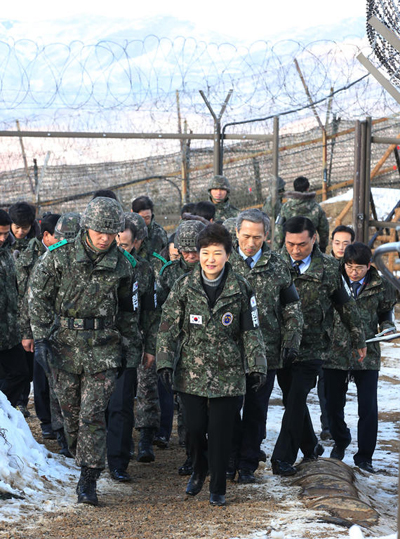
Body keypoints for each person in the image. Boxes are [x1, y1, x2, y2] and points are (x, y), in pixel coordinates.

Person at [28, 197, 138, 506]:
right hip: (64, 345)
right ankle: (82, 458)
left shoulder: (123, 266)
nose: (104, 238)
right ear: (86, 227)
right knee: (71, 414)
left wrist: (131, 348)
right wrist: (41, 339)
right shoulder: (58, 258)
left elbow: (129, 312)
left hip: (104, 346)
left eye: (111, 232)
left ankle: (88, 479)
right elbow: (39, 298)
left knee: (92, 414)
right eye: (99, 231)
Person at [156, 223, 267, 506]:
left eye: (217, 253)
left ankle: (217, 487)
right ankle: (199, 466)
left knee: (220, 432)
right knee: (193, 428)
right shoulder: (184, 286)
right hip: (191, 370)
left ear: (228, 255)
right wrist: (165, 363)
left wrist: (256, 365)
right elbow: (168, 326)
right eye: (205, 253)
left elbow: (251, 331)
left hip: (228, 373)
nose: (210, 259)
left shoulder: (241, 288)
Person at [271, 216, 366, 476]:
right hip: (281, 345)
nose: (295, 250)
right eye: (290, 244)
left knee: (296, 397)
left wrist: (358, 338)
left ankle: (282, 458)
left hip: (313, 346)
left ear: (314, 238)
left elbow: (344, 305)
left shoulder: (328, 267)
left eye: (302, 244)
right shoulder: (275, 264)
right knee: (292, 398)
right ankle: (311, 445)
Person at [228, 209, 303, 483]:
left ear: (266, 235)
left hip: (266, 351)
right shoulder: (223, 262)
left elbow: (292, 307)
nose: (251, 242)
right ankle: (229, 458)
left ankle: (247, 462)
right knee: (229, 407)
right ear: (236, 233)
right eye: (246, 236)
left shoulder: (278, 265)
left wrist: (291, 340)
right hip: (228, 352)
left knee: (257, 408)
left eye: (257, 237)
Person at [323, 242, 397, 473]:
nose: (354, 272)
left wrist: (387, 327)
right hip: (334, 352)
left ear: (369, 266)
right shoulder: (332, 281)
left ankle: (365, 457)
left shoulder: (381, 285)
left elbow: (386, 312)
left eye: (359, 267)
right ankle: (341, 438)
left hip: (367, 353)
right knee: (332, 404)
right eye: (349, 266)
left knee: (368, 407)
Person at [109, 213, 159, 479]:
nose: (119, 249)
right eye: (116, 243)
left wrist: (150, 347)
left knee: (121, 404)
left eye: (125, 245)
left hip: (128, 347)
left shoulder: (144, 270)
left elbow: (150, 314)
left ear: (136, 244)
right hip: (95, 348)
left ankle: (117, 462)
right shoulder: (95, 265)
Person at [15, 213, 62, 441]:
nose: (64, 241)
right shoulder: (29, 256)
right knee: (41, 376)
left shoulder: (65, 253)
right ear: (47, 235)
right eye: (59, 237)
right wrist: (27, 333)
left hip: (61, 327)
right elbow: (25, 298)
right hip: (38, 327)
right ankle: (46, 421)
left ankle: (61, 421)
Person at [0, 209, 30, 408]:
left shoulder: (6, 253)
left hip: (9, 332)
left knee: (21, 374)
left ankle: (3, 416)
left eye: (4, 233)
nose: (3, 238)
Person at [273, 176, 329, 252]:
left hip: (290, 248)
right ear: (307, 188)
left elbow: (278, 230)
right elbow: (324, 230)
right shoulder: (317, 208)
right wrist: (322, 247)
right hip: (311, 248)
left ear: (295, 188)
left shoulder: (285, 208)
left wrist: (276, 250)